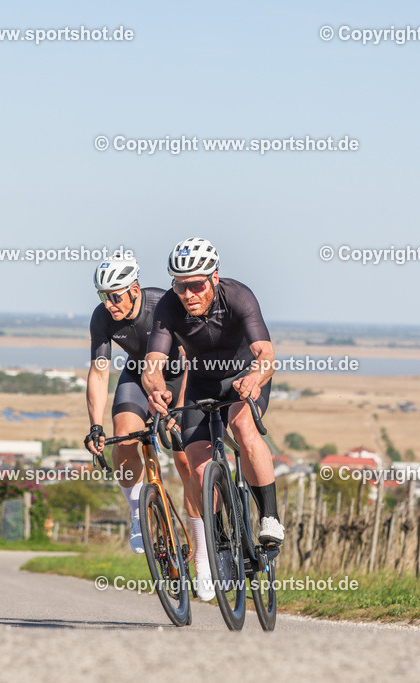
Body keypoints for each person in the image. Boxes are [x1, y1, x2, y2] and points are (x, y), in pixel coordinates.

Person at [143, 237, 283, 601]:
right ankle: (219, 539)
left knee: (242, 425)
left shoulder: (238, 297)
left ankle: (269, 516)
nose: (188, 293)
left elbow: (265, 352)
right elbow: (153, 366)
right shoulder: (169, 309)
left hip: (243, 378)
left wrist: (255, 377)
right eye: (179, 285)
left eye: (196, 285)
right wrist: (156, 388)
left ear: (214, 278)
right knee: (200, 468)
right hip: (202, 385)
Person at [84, 256, 196, 555]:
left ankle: (203, 543)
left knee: (185, 458)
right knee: (122, 439)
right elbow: (99, 372)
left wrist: (179, 409)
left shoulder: (162, 303)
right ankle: (138, 515)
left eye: (115, 296)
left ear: (134, 289)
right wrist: (96, 426)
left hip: (180, 377)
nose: (109, 304)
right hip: (138, 375)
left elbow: (191, 360)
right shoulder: (102, 318)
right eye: (102, 296)